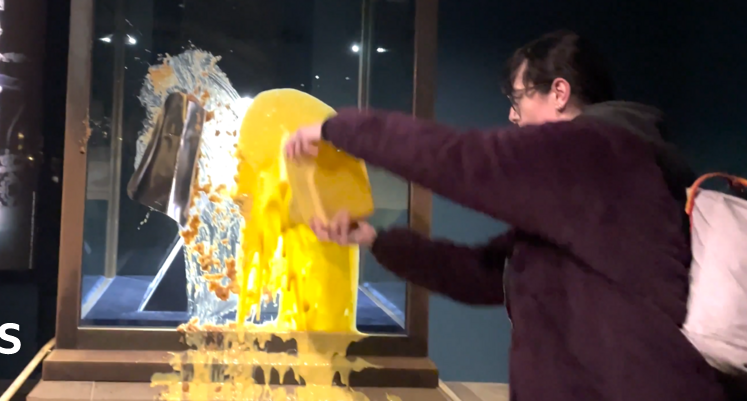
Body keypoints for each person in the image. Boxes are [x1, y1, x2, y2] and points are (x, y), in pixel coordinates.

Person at [285, 30, 729, 401]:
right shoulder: (587, 187)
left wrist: (338, 129)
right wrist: (374, 238)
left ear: (559, 92)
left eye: (518, 99)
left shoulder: (594, 152)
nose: (512, 117)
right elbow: (481, 275)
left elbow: (459, 159)